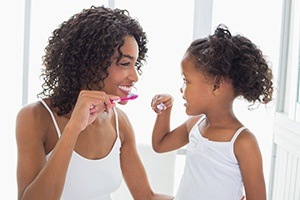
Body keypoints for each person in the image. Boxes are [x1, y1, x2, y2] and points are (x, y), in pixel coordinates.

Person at [16, 5, 174, 200]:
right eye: (125, 64)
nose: (135, 77)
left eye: (135, 64)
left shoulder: (120, 122)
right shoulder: (35, 117)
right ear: (91, 63)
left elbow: (147, 197)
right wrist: (74, 127)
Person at [151, 24, 273, 200]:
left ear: (216, 86)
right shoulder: (195, 124)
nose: (181, 88)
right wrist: (165, 110)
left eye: (186, 81)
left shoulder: (243, 142)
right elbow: (160, 145)